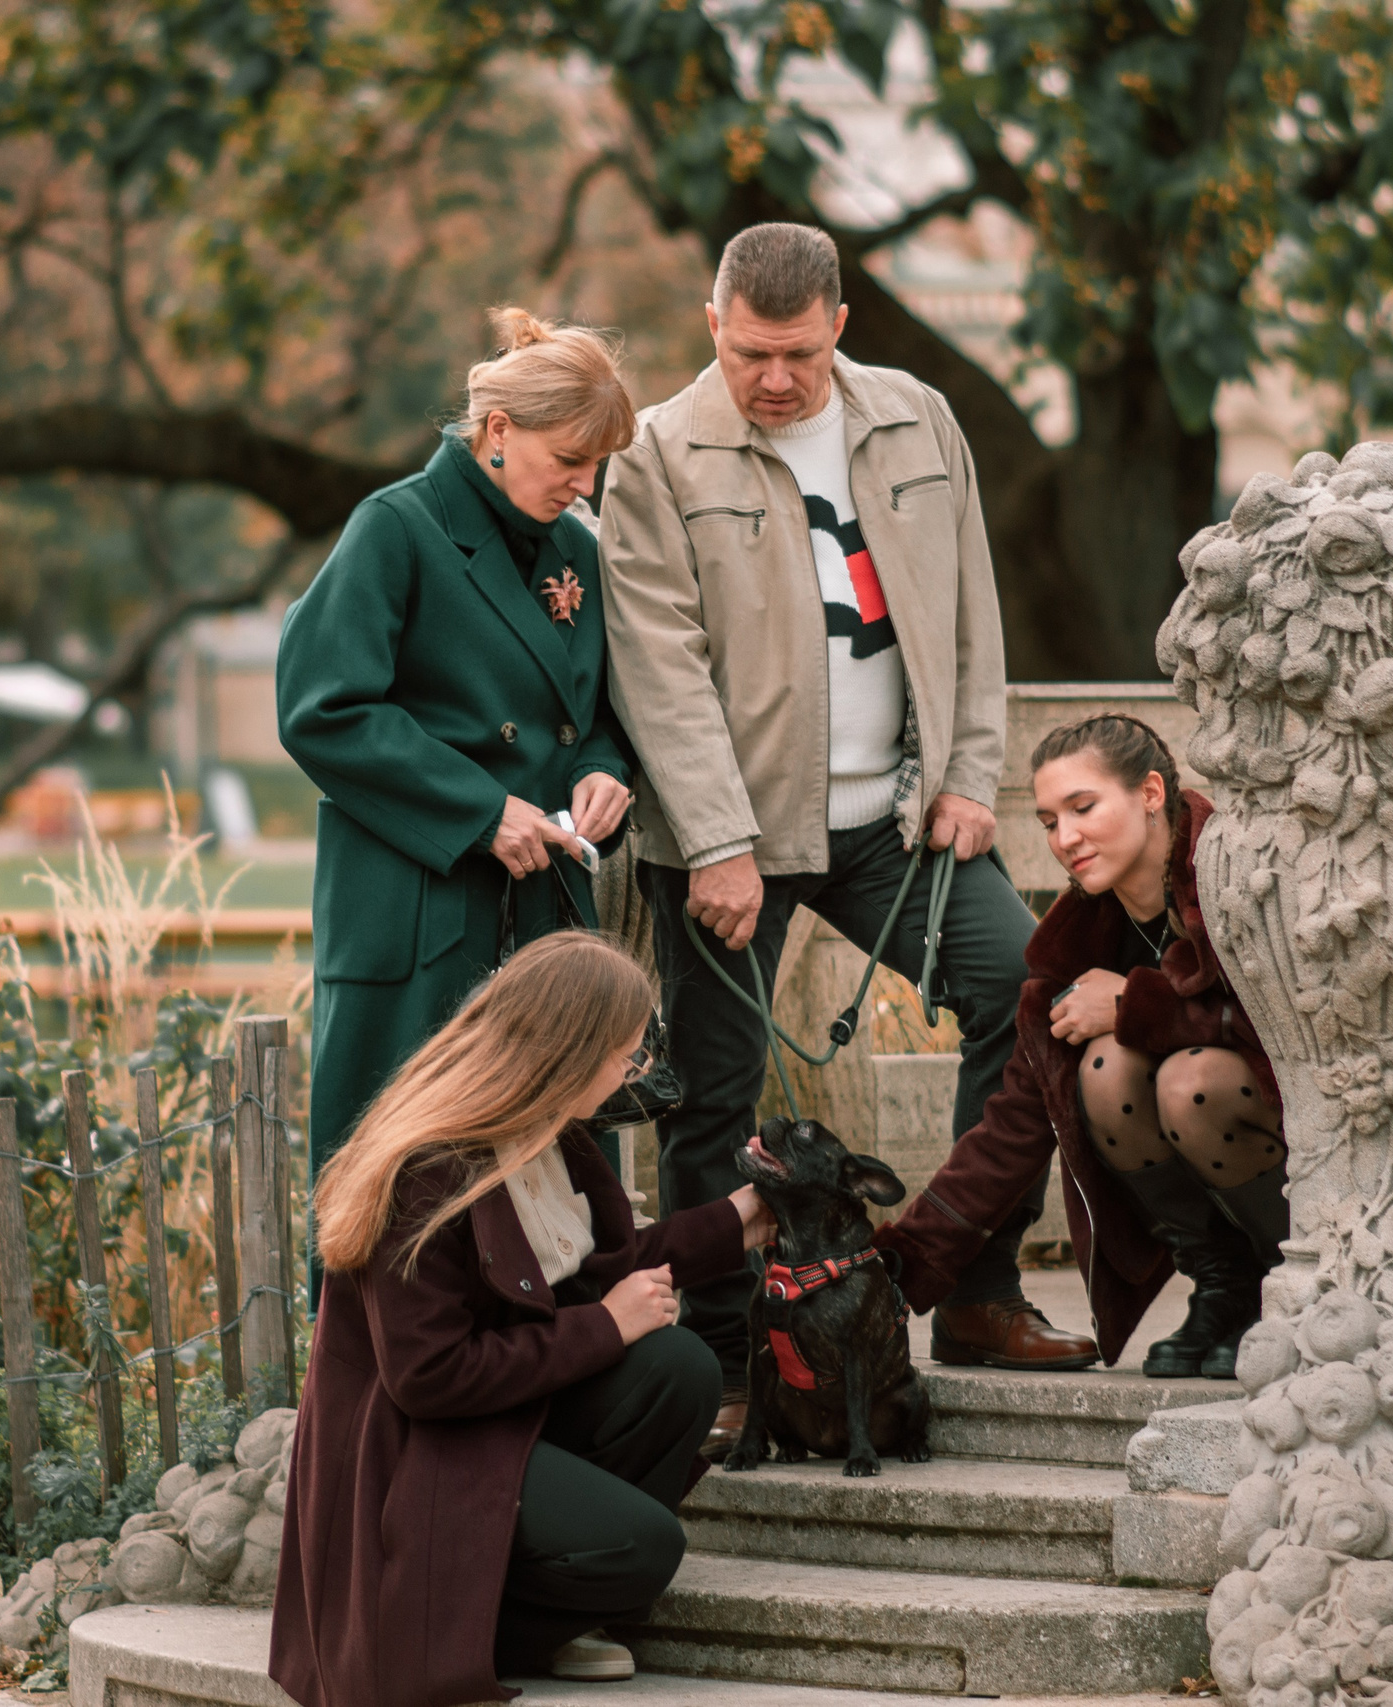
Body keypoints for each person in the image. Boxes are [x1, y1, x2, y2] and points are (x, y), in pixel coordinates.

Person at [599, 222, 1092, 1444]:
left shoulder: (918, 418)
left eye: (799, 356)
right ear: (714, 327)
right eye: (751, 353)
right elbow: (655, 665)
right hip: (733, 844)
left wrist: (973, 776)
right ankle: (720, 1356)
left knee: (1019, 993)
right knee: (709, 1099)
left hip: (899, 826)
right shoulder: (657, 452)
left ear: (839, 330)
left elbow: (970, 604)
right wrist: (715, 841)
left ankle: (973, 1289)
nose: (774, 380)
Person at [271, 933, 777, 1706]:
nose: (633, 1074)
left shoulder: (551, 1130)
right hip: (414, 1457)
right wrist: (606, 1326)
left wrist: (741, 1218)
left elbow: (609, 1262)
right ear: (570, 1053)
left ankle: (547, 1601)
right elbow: (428, 1378)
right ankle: (469, 1626)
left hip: (492, 1421)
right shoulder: (426, 1168)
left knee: (681, 1368)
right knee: (647, 1547)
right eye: (626, 1056)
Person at [278, 308, 640, 1215]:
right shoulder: (393, 527)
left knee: (551, 1196)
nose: (585, 485)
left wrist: (603, 771)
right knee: (395, 1186)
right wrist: (482, 811)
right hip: (420, 910)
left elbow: (589, 713)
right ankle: (370, 1367)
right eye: (571, 459)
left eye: (597, 464)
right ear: (499, 431)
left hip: (542, 909)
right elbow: (322, 709)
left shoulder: (576, 550)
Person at [875, 715, 1290, 1379]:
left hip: (1320, 1171)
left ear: (1151, 793)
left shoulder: (1237, 871)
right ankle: (1227, 1289)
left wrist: (1133, 1003)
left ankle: (1293, 1280)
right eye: (1047, 820)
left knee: (1193, 1084)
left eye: (1083, 807)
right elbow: (1012, 1123)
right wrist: (895, 1269)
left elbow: (1291, 1032)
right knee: (1104, 1071)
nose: (1064, 839)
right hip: (1230, 1174)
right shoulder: (1079, 939)